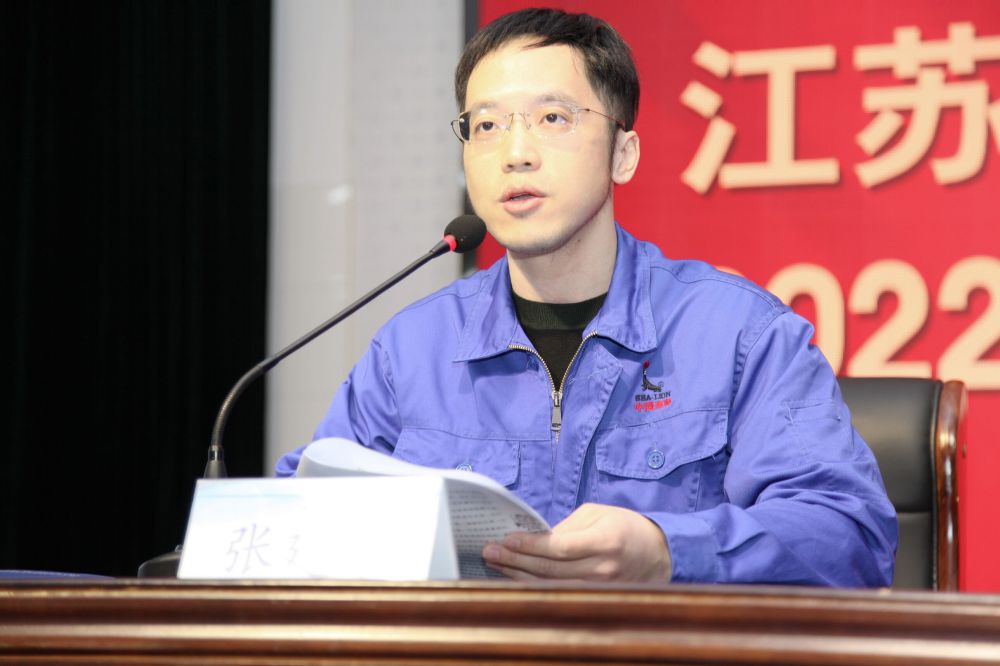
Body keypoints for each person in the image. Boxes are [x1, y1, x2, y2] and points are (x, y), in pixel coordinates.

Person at [276, 8, 897, 586]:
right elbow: (291, 521)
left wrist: (667, 549)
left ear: (623, 154)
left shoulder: (740, 334)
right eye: (486, 126)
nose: (515, 154)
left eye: (553, 118)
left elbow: (849, 533)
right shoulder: (411, 350)